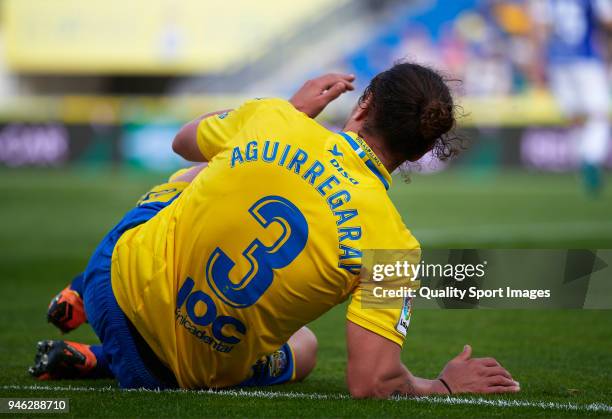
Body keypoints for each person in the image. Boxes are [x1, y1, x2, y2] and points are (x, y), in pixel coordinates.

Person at [30, 63, 520, 397]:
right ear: (417, 154)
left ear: (363, 105)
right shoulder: (395, 247)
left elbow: (184, 142)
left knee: (194, 176)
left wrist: (292, 108)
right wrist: (442, 385)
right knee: (304, 349)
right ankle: (103, 355)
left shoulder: (274, 117)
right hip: (166, 375)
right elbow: (372, 383)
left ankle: (84, 316)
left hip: (110, 282)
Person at [529, 0, 612, 194]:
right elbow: (607, 21)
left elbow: (540, 29)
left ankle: (582, 162)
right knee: (598, 114)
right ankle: (590, 158)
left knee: (574, 117)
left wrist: (537, 60)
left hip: (558, 62)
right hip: (586, 60)